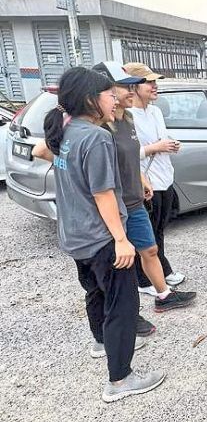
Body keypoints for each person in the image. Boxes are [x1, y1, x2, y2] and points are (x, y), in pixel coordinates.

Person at [42, 66, 165, 402]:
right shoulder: (96, 137)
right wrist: (121, 240)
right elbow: (103, 194)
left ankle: (101, 342)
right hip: (101, 238)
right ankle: (120, 378)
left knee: (95, 293)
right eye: (109, 94)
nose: (115, 99)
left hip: (75, 235)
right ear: (90, 99)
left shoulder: (66, 133)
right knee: (122, 304)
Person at [93, 62, 197, 313]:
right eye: (127, 86)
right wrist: (155, 150)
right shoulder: (103, 126)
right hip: (118, 203)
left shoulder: (129, 118)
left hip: (143, 191)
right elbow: (104, 178)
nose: (131, 90)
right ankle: (129, 310)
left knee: (152, 243)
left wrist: (141, 178)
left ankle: (163, 294)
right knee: (123, 259)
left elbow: (128, 158)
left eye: (132, 85)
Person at [123, 62, 187, 294]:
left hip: (164, 178)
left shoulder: (156, 111)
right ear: (133, 86)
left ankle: (162, 269)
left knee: (159, 228)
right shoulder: (126, 116)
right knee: (146, 234)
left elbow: (161, 137)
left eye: (154, 81)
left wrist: (169, 143)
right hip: (145, 182)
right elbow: (125, 154)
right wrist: (155, 147)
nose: (154, 86)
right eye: (148, 82)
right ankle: (145, 280)